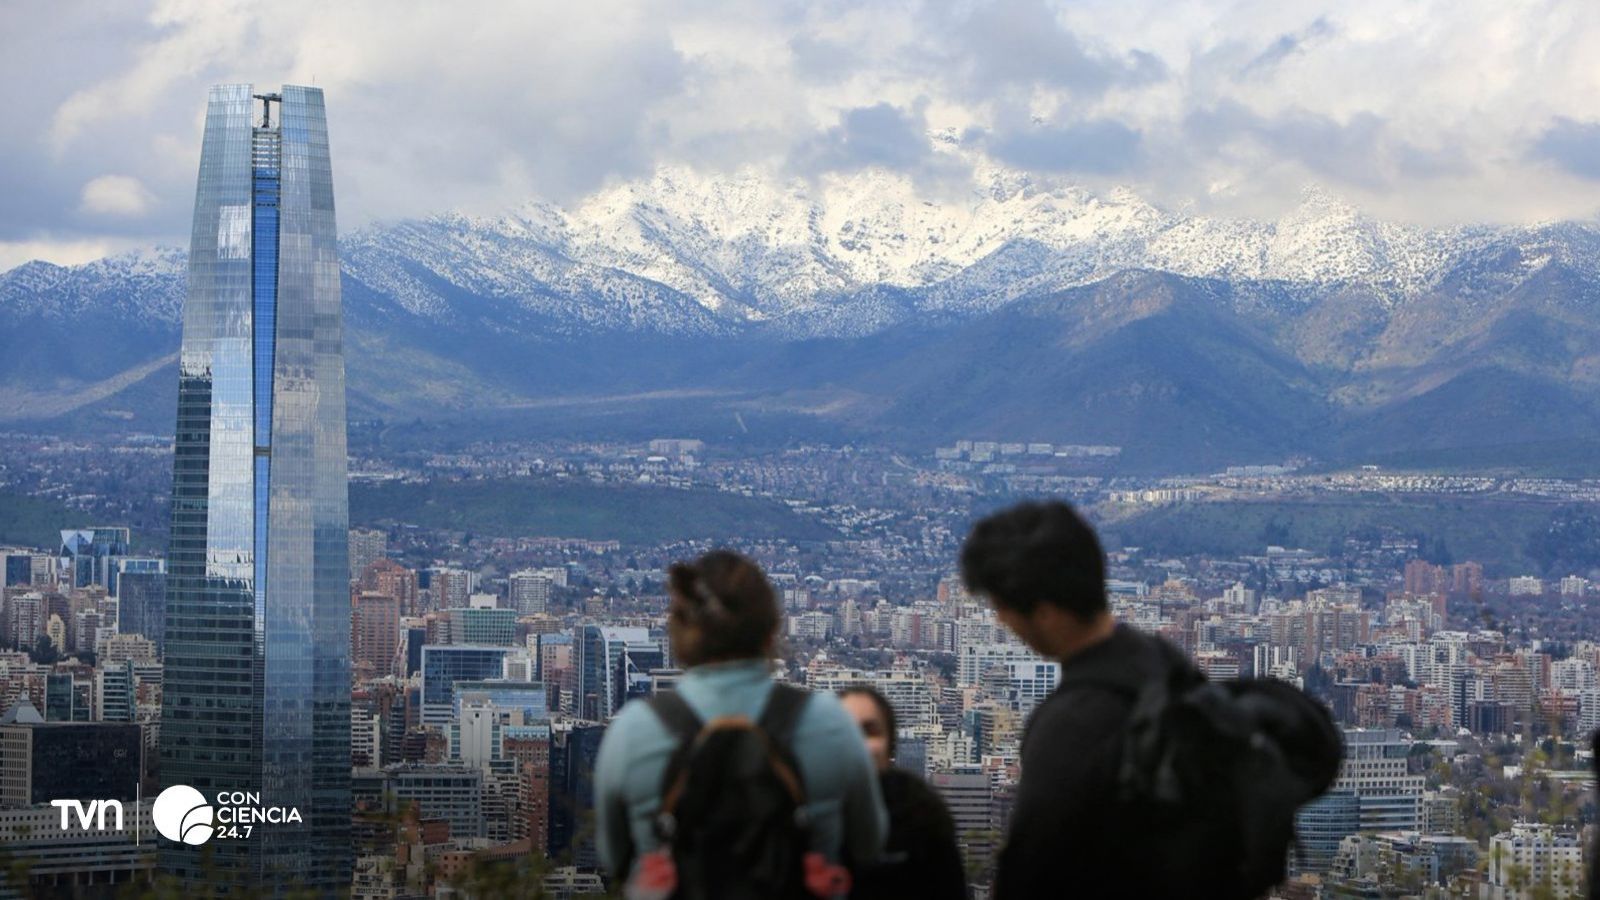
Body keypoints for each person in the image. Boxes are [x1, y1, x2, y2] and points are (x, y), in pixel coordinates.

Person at [960, 500, 1336, 899]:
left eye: (1001, 607)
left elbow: (1030, 874)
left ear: (1045, 612)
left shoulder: (1069, 725)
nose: (1000, 620)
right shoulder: (1165, 665)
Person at [595, 550, 886, 896]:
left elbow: (615, 858)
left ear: (682, 633)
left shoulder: (634, 731)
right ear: (771, 632)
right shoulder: (830, 723)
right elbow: (868, 843)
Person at [837, 685, 966, 900]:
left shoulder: (921, 813)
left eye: (870, 731)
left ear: (890, 745)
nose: (858, 743)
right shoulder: (805, 812)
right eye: (846, 731)